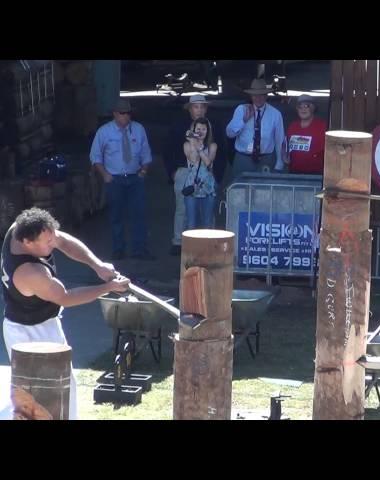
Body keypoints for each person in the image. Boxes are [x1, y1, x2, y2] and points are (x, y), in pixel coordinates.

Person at [1, 208, 130, 419]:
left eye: (52, 237)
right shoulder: (30, 273)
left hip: (46, 321)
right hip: (27, 332)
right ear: (28, 243)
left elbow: (63, 241)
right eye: (47, 242)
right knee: (36, 397)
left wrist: (97, 265)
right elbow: (66, 297)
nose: (53, 244)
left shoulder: (25, 227)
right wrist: (108, 287)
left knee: (65, 386)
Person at [89, 98, 155, 261]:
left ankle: (139, 249)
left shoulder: (138, 129)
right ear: (115, 114)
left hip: (135, 178)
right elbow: (95, 156)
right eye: (122, 113)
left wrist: (144, 170)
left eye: (128, 113)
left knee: (138, 214)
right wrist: (105, 175)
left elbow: (146, 153)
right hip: (115, 179)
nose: (126, 116)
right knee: (116, 215)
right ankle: (118, 249)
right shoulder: (104, 132)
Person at [163, 95, 227, 256]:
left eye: (202, 107)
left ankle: (209, 243)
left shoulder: (215, 127)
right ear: (190, 109)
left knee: (208, 210)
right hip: (185, 170)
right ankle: (178, 242)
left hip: (208, 172)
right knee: (182, 208)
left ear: (206, 109)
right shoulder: (178, 126)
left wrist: (217, 175)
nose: (199, 110)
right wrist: (172, 172)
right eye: (196, 107)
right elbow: (167, 149)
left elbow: (222, 151)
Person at [226, 78, 286, 180]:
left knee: (264, 192)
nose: (258, 98)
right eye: (255, 95)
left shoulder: (275, 114)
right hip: (243, 158)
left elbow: (279, 140)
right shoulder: (242, 109)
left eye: (261, 95)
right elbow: (229, 133)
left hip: (266, 159)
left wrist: (279, 164)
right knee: (240, 192)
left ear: (266, 96)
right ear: (251, 96)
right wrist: (243, 121)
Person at [182, 118, 218, 229]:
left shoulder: (213, 145)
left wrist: (200, 148)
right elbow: (193, 159)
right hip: (192, 186)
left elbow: (208, 163)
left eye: (204, 129)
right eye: (198, 129)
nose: (201, 132)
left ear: (208, 131)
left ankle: (207, 246)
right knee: (191, 223)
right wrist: (193, 143)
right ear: (194, 130)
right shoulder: (187, 145)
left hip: (208, 187)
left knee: (207, 223)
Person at [285, 94, 327, 174]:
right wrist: (284, 155)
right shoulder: (293, 126)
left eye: (306, 106)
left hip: (315, 175)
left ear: (313, 108)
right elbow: (285, 144)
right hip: (294, 173)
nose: (303, 109)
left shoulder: (322, 126)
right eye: (300, 106)